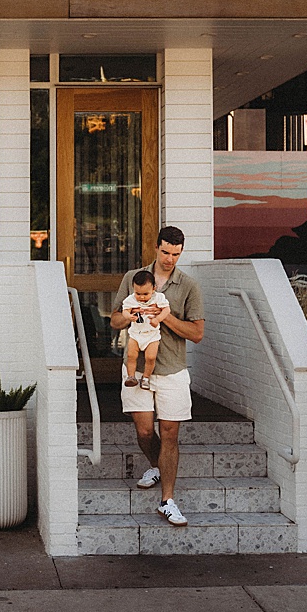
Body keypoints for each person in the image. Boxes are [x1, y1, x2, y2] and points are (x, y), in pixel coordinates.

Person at [110, 225, 204, 528]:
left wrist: (167, 318)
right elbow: (114, 320)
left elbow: (197, 333)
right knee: (145, 432)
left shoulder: (188, 285)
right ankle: (155, 465)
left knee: (170, 434)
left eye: (176, 254)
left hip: (172, 370)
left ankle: (167, 500)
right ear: (156, 247)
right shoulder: (133, 278)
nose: (170, 259)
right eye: (166, 252)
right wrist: (132, 315)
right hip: (136, 369)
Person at [120, 269, 168, 389]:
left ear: (153, 288)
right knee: (131, 355)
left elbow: (167, 310)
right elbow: (124, 311)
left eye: (145, 294)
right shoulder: (131, 299)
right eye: (138, 293)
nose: (141, 297)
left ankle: (146, 378)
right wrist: (129, 316)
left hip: (152, 334)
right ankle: (131, 377)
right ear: (133, 289)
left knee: (151, 357)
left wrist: (158, 319)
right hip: (136, 333)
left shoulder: (159, 298)